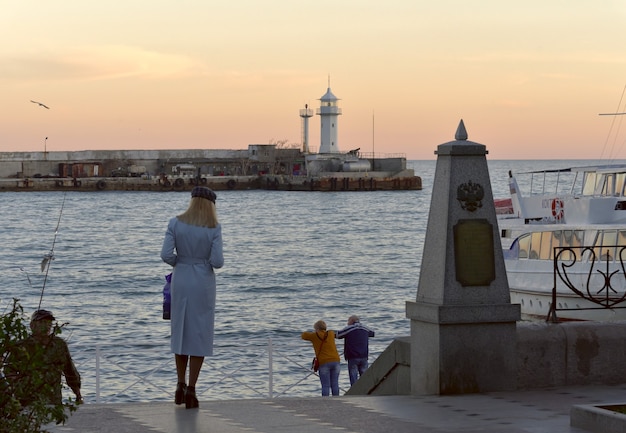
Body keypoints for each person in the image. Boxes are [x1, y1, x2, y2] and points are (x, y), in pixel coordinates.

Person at [161, 186, 224, 409]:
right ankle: (192, 389)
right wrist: (201, 262)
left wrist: (182, 261)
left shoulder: (175, 223)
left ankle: (179, 384)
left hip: (182, 278)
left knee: (180, 331)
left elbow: (166, 255)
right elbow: (217, 262)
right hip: (203, 282)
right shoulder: (214, 228)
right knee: (199, 333)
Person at [5, 309, 82, 406]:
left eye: (49, 323)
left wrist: (78, 395)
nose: (46, 326)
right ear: (32, 325)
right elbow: (9, 370)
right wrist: (21, 386)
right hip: (28, 401)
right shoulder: (21, 346)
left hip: (54, 400)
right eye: (42, 322)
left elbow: (70, 371)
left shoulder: (59, 345)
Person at [301, 320, 341, 396]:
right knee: (335, 384)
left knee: (325, 385)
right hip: (335, 360)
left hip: (324, 362)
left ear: (317, 328)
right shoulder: (331, 333)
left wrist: (312, 332)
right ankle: (336, 400)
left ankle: (325, 401)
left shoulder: (314, 335)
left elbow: (303, 335)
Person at [336, 315, 375, 386]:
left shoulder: (349, 328)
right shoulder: (365, 328)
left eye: (348, 321)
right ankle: (366, 392)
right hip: (364, 355)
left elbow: (338, 335)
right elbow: (372, 333)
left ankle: (355, 393)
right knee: (365, 377)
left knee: (353, 377)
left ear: (351, 321)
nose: (347, 323)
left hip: (353, 356)